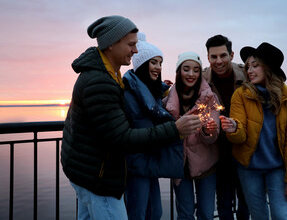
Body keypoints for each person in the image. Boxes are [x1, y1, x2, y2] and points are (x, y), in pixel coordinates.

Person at [61, 15, 201, 220]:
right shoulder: (100, 82)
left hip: (87, 171)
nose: (135, 50)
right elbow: (122, 138)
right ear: (112, 44)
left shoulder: (107, 75)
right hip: (98, 177)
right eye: (131, 44)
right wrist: (175, 130)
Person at [203, 35, 287, 220]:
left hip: (253, 152)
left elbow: (285, 93)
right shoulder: (203, 78)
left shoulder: (246, 74)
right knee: (226, 203)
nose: (218, 61)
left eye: (223, 55)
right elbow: (183, 85)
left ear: (231, 55)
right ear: (208, 57)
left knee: (257, 208)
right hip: (221, 150)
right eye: (213, 57)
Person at [220, 42, 287, 219]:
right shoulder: (241, 94)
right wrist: (234, 128)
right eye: (248, 66)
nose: (249, 70)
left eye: (255, 65)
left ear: (269, 68)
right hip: (249, 167)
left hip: (278, 167)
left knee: (282, 215)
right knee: (259, 216)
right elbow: (239, 136)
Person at [122, 32, 184, 220]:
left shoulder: (150, 90)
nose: (158, 67)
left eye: (160, 63)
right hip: (135, 165)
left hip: (149, 161)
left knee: (155, 212)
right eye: (153, 62)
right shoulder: (129, 93)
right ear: (141, 64)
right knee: (138, 213)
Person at [162, 51, 220, 220]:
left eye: (196, 70)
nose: (191, 74)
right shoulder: (167, 100)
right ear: (179, 71)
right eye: (186, 69)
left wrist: (208, 131)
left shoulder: (210, 98)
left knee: (206, 214)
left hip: (206, 164)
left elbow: (213, 136)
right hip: (180, 166)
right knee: (185, 214)